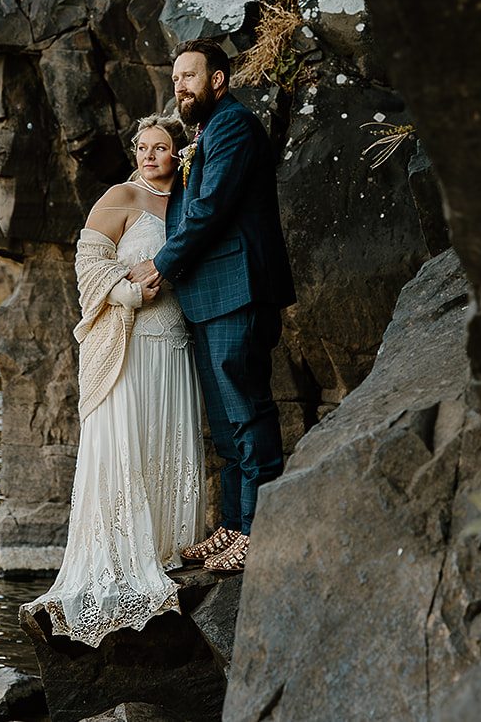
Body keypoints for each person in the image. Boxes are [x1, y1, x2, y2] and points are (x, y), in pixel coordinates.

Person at [29, 114, 205, 646]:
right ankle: (118, 561)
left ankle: (168, 551)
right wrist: (128, 294)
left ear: (179, 154)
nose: (149, 156)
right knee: (126, 449)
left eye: (160, 147)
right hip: (129, 343)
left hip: (175, 347)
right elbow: (88, 265)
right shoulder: (120, 197)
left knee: (168, 446)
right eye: (143, 147)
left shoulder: (192, 200)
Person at [129, 38, 295, 574]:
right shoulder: (202, 133)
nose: (179, 85)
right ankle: (231, 529)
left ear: (217, 79)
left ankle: (260, 531)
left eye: (189, 76)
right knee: (224, 427)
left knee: (248, 412)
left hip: (239, 288)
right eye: (175, 77)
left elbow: (210, 210)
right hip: (208, 297)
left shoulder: (234, 127)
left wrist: (159, 265)